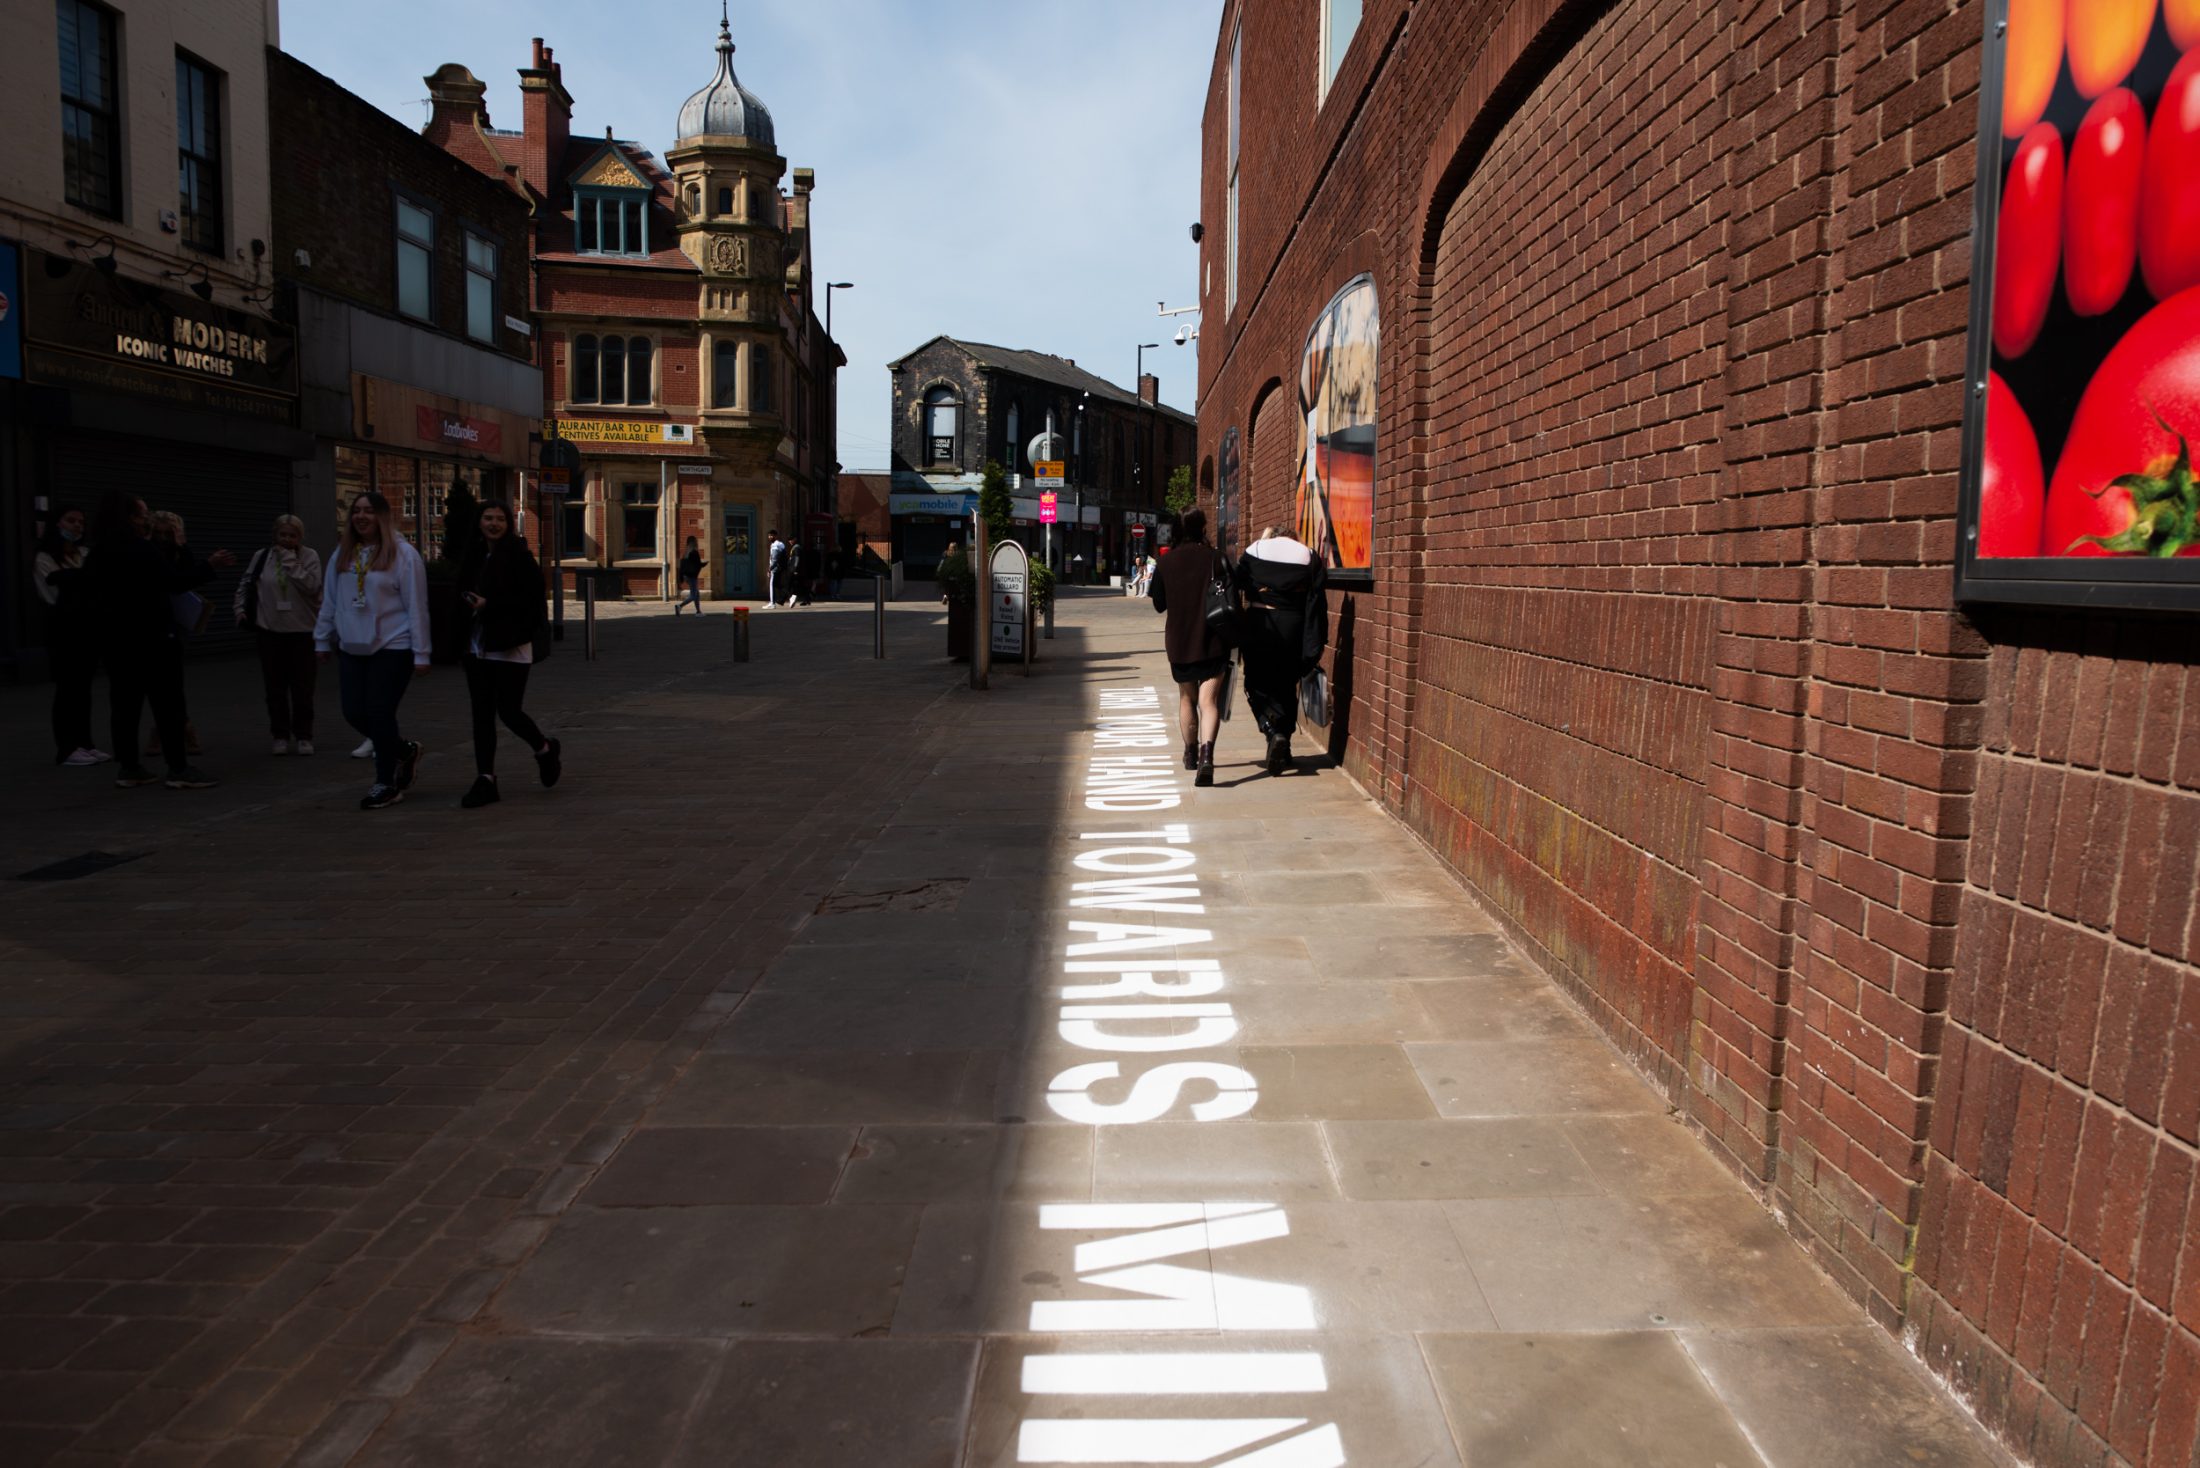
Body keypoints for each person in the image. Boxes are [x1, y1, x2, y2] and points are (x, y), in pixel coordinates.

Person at [85, 491, 232, 790]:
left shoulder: (99, 551)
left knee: (125, 705)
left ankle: (129, 767)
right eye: (142, 514)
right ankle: (178, 767)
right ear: (128, 518)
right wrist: (209, 566)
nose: (146, 520)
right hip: (154, 639)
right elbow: (175, 583)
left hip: (117, 642)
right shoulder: (142, 549)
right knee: (168, 704)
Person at [315, 491, 430, 810]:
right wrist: (322, 639)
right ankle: (404, 750)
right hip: (352, 645)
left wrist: (422, 653)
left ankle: (386, 782)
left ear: (382, 516)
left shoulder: (404, 555)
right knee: (353, 711)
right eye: (356, 511)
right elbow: (330, 600)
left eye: (369, 511)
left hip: (393, 645)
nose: (361, 517)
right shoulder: (342, 555)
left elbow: (416, 606)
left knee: (379, 712)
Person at [456, 500, 561, 809]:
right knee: (482, 714)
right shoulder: (473, 556)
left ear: (508, 524)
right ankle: (486, 778)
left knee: (510, 711)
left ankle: (544, 749)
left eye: (499, 519)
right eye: (488, 518)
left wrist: (491, 605)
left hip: (511, 645)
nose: (493, 524)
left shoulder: (520, 558)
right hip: (478, 646)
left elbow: (530, 603)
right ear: (479, 522)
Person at [1235, 525, 1329, 775]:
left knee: (1254, 683)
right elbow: (1317, 597)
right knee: (1287, 685)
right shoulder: (1308, 555)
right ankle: (1283, 746)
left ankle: (1270, 728)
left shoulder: (1255, 550)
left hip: (1261, 624)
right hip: (1294, 626)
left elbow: (1239, 581)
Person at [1149, 509, 1232, 787]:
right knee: (1209, 702)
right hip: (1213, 640)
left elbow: (1159, 604)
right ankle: (1207, 756)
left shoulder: (1165, 562)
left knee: (1187, 698)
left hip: (1180, 641)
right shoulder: (1216, 559)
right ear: (1203, 529)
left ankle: (1190, 753)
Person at [234, 514, 324, 755]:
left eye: (292, 536)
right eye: (282, 535)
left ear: (300, 537)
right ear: (275, 535)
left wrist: (290, 562)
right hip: (270, 631)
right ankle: (280, 734)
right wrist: (240, 610)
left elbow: (313, 586)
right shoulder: (262, 556)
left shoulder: (309, 556)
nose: (286, 540)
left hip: (302, 632)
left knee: (303, 689)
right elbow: (247, 583)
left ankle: (304, 735)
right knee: (275, 688)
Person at [34, 504, 107, 766]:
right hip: (62, 631)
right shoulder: (44, 558)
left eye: (80, 522)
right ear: (58, 524)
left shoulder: (85, 553)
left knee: (83, 689)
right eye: (71, 521)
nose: (77, 526)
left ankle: (85, 743)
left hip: (87, 630)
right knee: (67, 689)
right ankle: (67, 747)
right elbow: (53, 592)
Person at [142, 512, 212, 759]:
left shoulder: (181, 552)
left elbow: (189, 577)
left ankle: (179, 728)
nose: (163, 538)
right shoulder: (147, 552)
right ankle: (170, 728)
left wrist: (182, 546)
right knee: (160, 682)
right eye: (158, 533)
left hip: (176, 622)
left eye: (167, 533)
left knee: (173, 680)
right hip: (152, 622)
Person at [675, 536, 707, 615]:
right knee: (693, 595)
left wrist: (681, 576)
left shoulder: (686, 552)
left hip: (686, 576)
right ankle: (679, 606)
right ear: (693, 542)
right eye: (695, 541)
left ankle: (698, 611)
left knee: (697, 593)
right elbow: (697, 564)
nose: (697, 542)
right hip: (692, 576)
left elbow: (683, 565)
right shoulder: (694, 552)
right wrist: (704, 564)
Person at [765, 530, 787, 606]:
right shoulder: (780, 544)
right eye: (769, 535)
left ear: (776, 536)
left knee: (771, 584)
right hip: (780, 567)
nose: (770, 537)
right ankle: (787, 594)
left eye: (772, 535)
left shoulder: (775, 545)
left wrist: (769, 569)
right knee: (777, 584)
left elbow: (774, 559)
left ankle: (772, 603)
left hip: (775, 568)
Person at [787, 537, 806, 605]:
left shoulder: (796, 548)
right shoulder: (795, 547)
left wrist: (795, 569)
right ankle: (805, 599)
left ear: (795, 539)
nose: (790, 541)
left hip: (794, 569)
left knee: (790, 584)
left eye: (791, 539)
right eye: (789, 540)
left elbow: (797, 558)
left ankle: (793, 597)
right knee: (799, 585)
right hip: (794, 569)